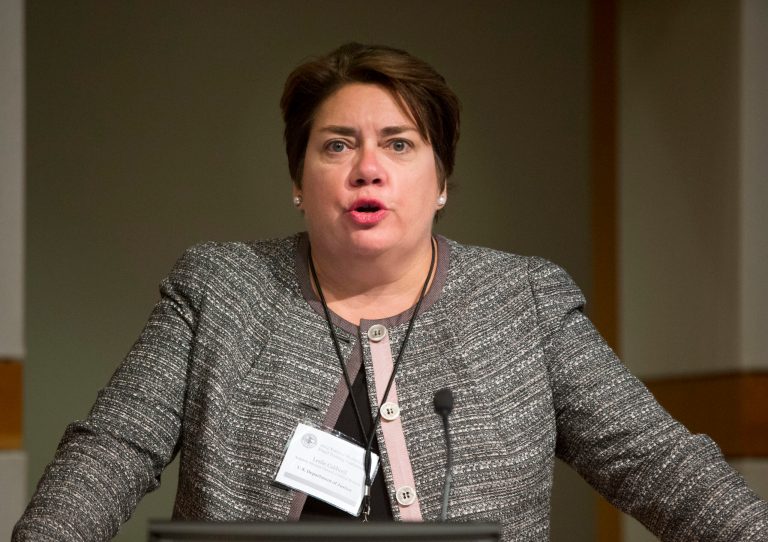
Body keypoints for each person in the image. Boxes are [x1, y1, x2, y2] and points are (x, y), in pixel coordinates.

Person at [13, 42, 768, 541]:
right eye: (337, 144)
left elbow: (660, 464)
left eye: (399, 144)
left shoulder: (523, 304)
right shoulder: (222, 291)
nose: (367, 168)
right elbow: (109, 454)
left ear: (441, 182)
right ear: (298, 183)